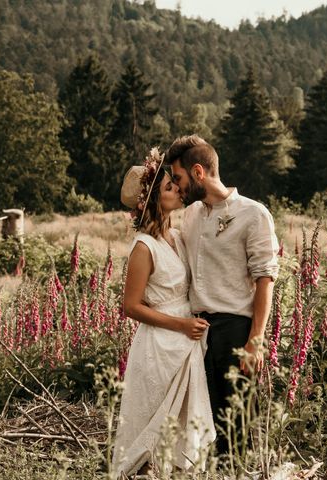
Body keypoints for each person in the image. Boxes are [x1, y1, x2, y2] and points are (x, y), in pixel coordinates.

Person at [167, 135, 279, 455]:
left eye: (179, 178)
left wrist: (254, 343)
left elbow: (265, 279)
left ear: (199, 172)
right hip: (194, 333)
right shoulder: (190, 216)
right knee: (202, 427)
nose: (178, 187)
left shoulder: (254, 214)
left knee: (237, 428)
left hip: (235, 332)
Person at [112, 147, 215, 478]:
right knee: (152, 433)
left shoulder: (176, 237)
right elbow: (131, 306)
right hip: (158, 347)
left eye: (174, 184)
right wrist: (181, 324)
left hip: (185, 344)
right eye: (169, 188)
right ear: (152, 200)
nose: (177, 191)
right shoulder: (144, 247)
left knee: (183, 430)